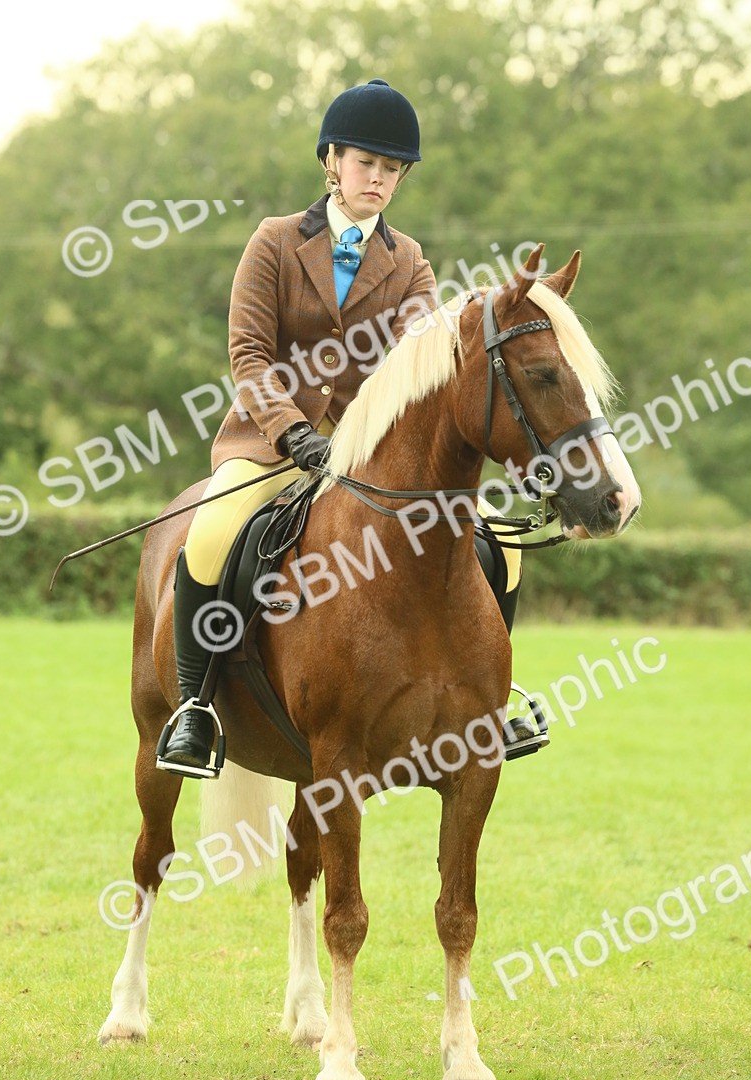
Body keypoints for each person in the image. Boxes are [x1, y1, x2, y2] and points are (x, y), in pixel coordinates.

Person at [157, 79, 543, 776]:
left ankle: (489, 702)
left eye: (393, 169)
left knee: (501, 545)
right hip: (270, 445)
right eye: (368, 163)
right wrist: (290, 429)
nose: (381, 179)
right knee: (211, 538)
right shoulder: (273, 242)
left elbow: (418, 358)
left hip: (368, 454)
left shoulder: (410, 261)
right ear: (331, 161)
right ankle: (195, 706)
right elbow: (248, 354)